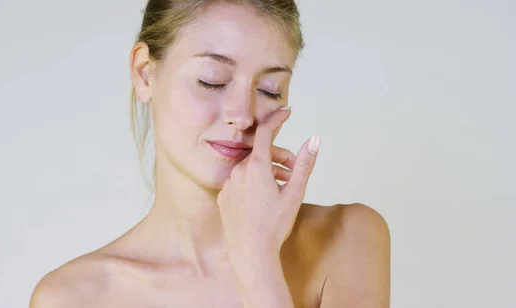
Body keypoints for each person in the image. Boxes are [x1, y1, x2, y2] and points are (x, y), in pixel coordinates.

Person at [30, 0, 390, 307]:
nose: (243, 115)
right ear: (144, 74)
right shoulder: (73, 297)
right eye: (212, 80)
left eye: (270, 89)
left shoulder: (347, 239)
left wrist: (257, 264)